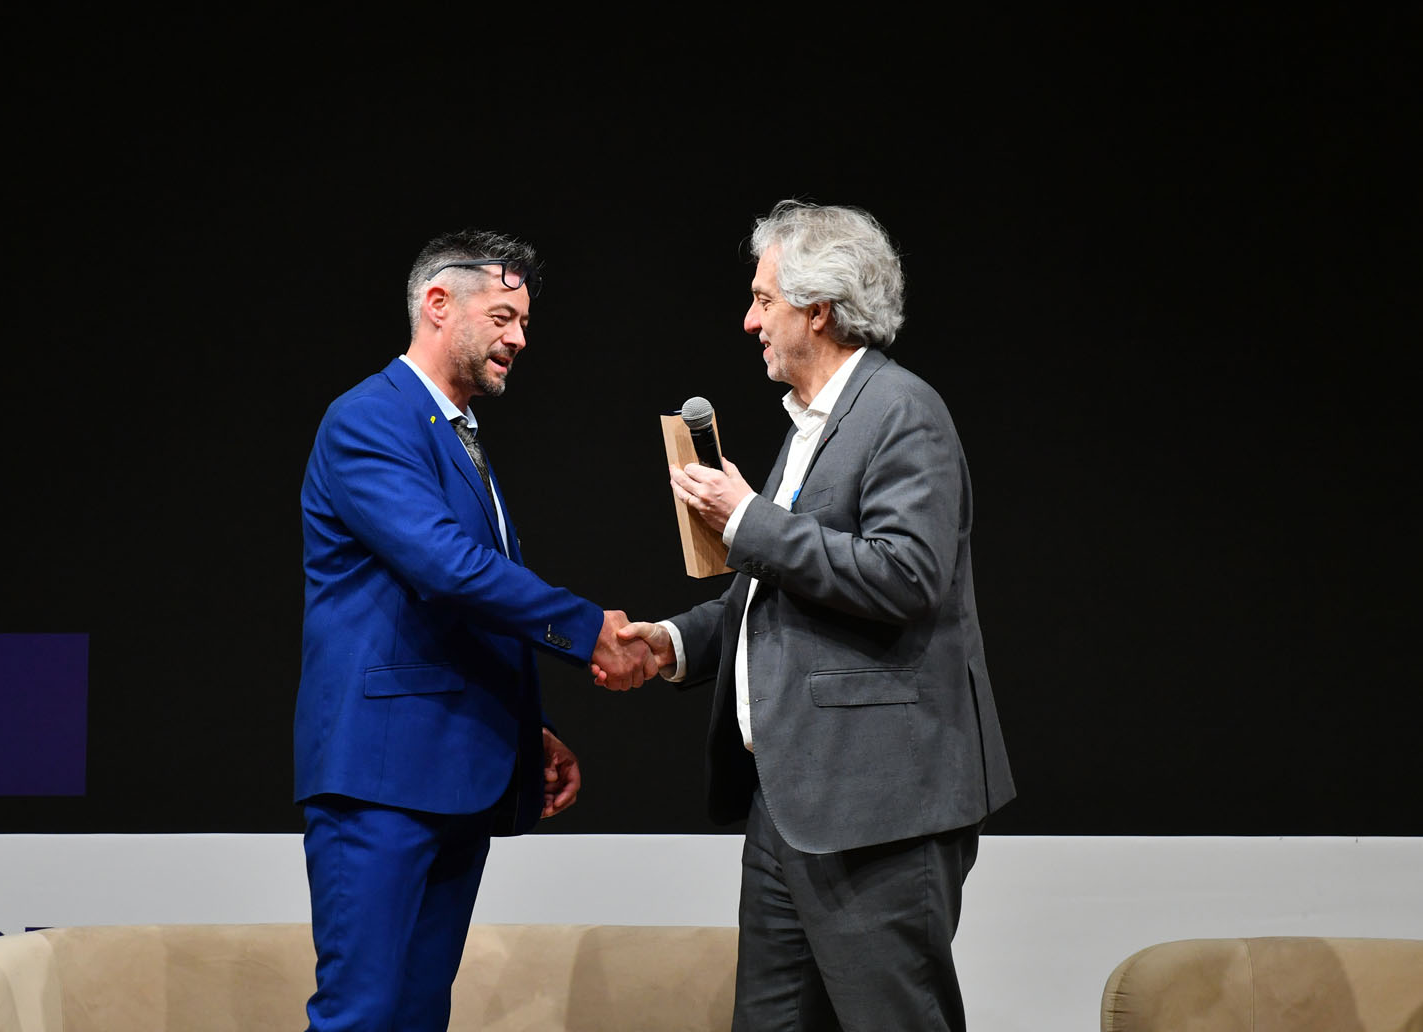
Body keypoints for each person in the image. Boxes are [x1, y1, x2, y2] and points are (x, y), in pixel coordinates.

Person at [618, 200, 1016, 1031]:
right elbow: (774, 591)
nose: (749, 320)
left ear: (819, 310)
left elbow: (906, 576)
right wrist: (673, 644)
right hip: (790, 803)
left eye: (764, 299)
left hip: (878, 806)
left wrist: (745, 518)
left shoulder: (901, 411)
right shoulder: (812, 425)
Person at [295, 228, 654, 1031]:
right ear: (437, 304)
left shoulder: (454, 433)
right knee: (363, 1016)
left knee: (420, 1014)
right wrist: (589, 630)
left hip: (454, 776)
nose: (519, 338)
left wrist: (528, 726)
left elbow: (466, 611)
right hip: (379, 782)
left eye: (523, 322)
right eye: (502, 317)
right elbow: (449, 569)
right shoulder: (367, 419)